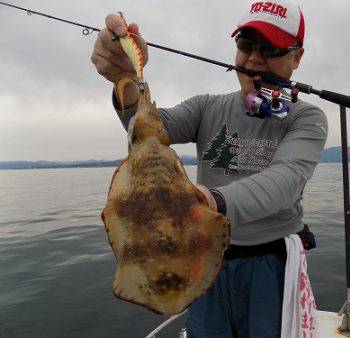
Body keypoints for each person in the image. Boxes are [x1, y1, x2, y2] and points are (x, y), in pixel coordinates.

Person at [91, 0, 327, 336]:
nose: (255, 57)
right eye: (246, 44)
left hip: (270, 266)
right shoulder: (208, 107)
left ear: (296, 57)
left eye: (271, 48)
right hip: (199, 257)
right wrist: (126, 78)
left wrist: (207, 201)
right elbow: (147, 130)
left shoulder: (306, 118)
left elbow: (285, 182)